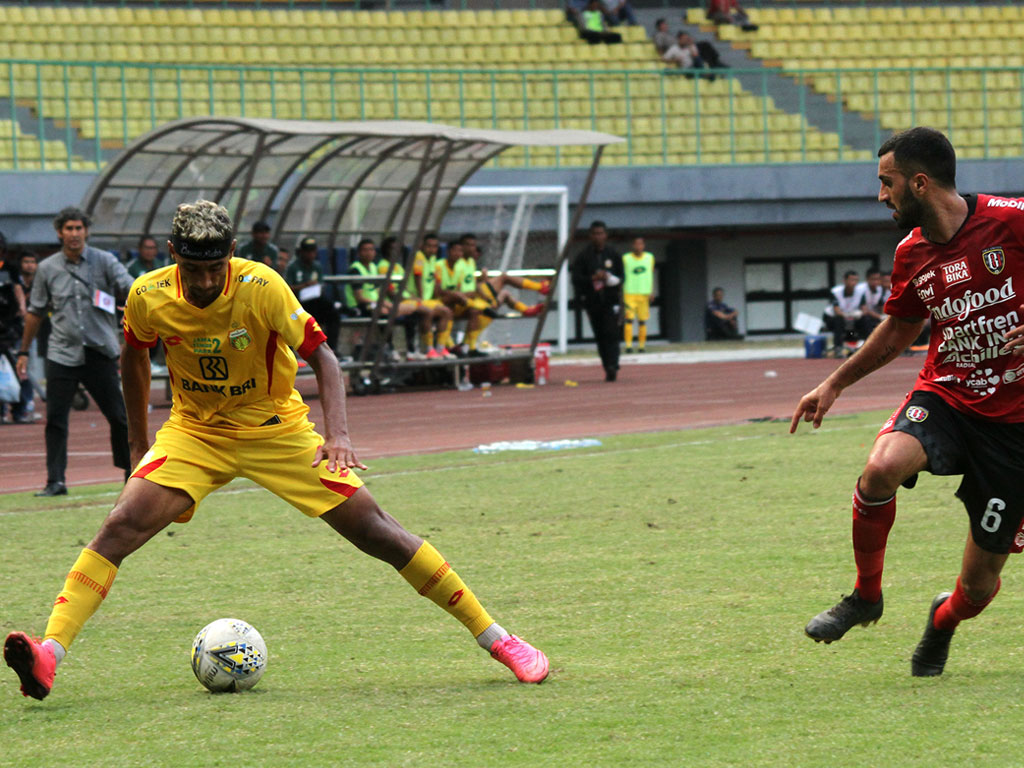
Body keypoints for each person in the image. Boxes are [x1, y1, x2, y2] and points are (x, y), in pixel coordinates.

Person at [2, 199, 549, 703]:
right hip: (195, 433)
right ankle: (50, 654)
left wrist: (338, 435)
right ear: (173, 258)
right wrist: (140, 444)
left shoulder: (263, 286)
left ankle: (499, 639)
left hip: (276, 430)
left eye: (216, 270)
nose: (206, 282)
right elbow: (134, 360)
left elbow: (325, 359)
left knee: (378, 531)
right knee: (119, 526)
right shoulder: (147, 294)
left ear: (232, 256)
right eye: (194, 272)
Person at [792, 126, 1024, 677]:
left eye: (886, 182)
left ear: (919, 183)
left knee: (977, 585)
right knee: (879, 471)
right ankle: (865, 597)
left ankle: (942, 622)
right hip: (947, 397)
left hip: (1015, 428)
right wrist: (835, 384)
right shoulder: (911, 253)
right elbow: (897, 334)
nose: (881, 195)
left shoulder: (1013, 220)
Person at [15, 207, 133, 496]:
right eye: (68, 229)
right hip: (62, 354)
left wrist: (133, 305)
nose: (74, 234)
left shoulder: (105, 261)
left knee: (119, 416)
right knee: (55, 419)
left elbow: (132, 288)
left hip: (99, 352)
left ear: (87, 231)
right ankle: (56, 481)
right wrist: (24, 351)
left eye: (79, 228)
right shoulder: (47, 268)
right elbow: (35, 312)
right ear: (59, 232)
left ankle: (132, 476)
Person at [570, 221, 623, 381]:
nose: (598, 236)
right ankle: (607, 365)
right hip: (593, 302)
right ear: (590, 236)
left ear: (605, 235)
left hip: (611, 301)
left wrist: (608, 277)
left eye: (601, 233)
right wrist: (592, 278)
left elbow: (622, 278)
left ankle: (613, 365)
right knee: (600, 335)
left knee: (611, 333)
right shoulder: (583, 256)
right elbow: (576, 279)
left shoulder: (614, 254)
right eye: (595, 233)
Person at [0, 231, 31, 424]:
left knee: (16, 367)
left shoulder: (9, 269)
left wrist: (22, 308)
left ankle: (20, 408)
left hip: (9, 325)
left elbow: (18, 288)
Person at [287, 237, 338, 353]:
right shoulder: (293, 267)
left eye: (313, 251)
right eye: (307, 251)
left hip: (315, 301)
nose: (311, 254)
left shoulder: (317, 266)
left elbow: (320, 285)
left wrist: (315, 286)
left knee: (333, 313)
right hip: (298, 303)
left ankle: (332, 348)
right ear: (301, 252)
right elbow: (288, 287)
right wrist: (305, 285)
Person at [412, 233, 456, 360]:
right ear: (422, 246)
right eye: (429, 246)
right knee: (429, 312)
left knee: (447, 312)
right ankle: (429, 349)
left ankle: (440, 348)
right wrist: (420, 298)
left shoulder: (433, 261)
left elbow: (434, 283)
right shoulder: (418, 257)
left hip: (428, 299)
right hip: (415, 298)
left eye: (435, 246)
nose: (432, 249)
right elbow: (417, 278)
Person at [622, 237, 655, 353]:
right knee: (629, 320)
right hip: (629, 293)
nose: (638, 246)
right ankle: (628, 346)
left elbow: (650, 274)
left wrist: (651, 291)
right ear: (632, 245)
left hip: (644, 293)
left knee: (642, 321)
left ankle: (641, 346)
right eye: (636, 244)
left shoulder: (649, 257)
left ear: (644, 245)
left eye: (640, 244)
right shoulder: (626, 258)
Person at [822, 270, 866, 355]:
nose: (854, 283)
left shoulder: (860, 292)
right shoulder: (836, 292)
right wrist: (848, 315)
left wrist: (859, 314)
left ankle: (866, 344)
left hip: (851, 318)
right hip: (832, 318)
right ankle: (838, 347)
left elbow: (864, 309)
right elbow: (837, 311)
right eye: (851, 280)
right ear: (845, 281)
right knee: (839, 320)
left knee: (865, 320)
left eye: (856, 280)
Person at [856, 267, 888, 339]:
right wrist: (880, 317)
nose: (876, 282)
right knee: (866, 319)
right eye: (873, 279)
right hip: (858, 316)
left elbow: (881, 305)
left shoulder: (880, 289)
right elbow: (864, 309)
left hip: (873, 315)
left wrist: (884, 317)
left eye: (878, 279)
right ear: (867, 279)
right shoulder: (860, 289)